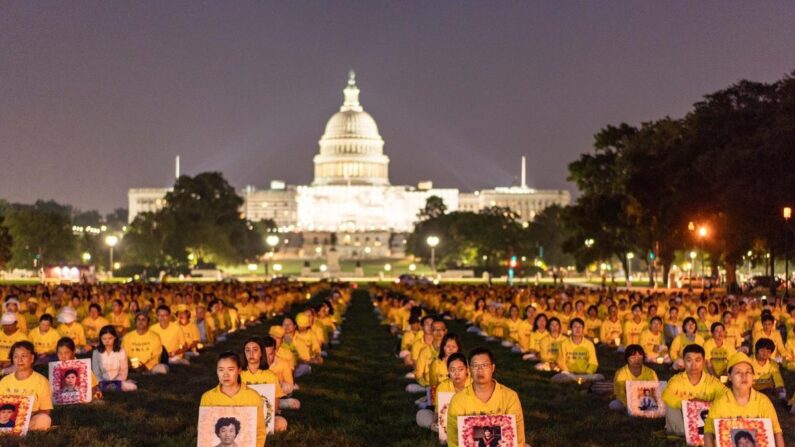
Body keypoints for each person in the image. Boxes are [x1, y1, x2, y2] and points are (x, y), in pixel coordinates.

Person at [446, 347, 525, 447]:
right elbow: (453, 439)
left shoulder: (510, 396)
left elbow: (518, 435)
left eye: (484, 365)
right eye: (475, 366)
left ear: (492, 368)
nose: (480, 370)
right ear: (469, 370)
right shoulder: (458, 400)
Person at [703, 352, 784, 447]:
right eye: (738, 372)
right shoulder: (720, 403)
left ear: (753, 375)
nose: (744, 376)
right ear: (729, 376)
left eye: (748, 372)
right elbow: (708, 433)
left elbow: (777, 432)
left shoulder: (763, 401)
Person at [199, 351, 265, 447]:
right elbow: (204, 431)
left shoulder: (252, 396)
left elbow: (260, 431)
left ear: (239, 370)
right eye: (221, 370)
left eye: (230, 369)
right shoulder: (208, 397)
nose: (225, 375)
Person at [661, 344, 727, 436]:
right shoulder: (677, 380)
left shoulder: (712, 382)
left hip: (705, 422)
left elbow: (727, 396)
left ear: (703, 362)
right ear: (683, 362)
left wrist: (703, 404)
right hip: (682, 422)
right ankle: (682, 433)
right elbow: (666, 395)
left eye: (697, 360)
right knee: (670, 406)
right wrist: (688, 404)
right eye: (689, 360)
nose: (693, 365)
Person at [0, 341, 52, 430]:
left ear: (32, 358)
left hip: (30, 420)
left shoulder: (41, 381)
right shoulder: (5, 381)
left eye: (23, 356)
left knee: (44, 419)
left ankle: (18, 430)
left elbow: (46, 411)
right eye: (16, 356)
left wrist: (28, 414)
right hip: (7, 419)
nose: (19, 360)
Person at [241, 337, 287, 432]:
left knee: (282, 423)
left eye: (255, 350)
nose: (251, 354)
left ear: (261, 353)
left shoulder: (270, 376)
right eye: (247, 350)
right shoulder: (239, 375)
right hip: (244, 416)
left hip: (265, 416)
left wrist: (268, 418)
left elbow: (275, 399)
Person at [609, 344, 658, 412]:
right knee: (614, 404)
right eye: (633, 357)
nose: (636, 360)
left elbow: (656, 390)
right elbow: (619, 393)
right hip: (627, 401)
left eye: (639, 357)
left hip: (646, 400)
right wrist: (630, 405)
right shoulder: (621, 373)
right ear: (627, 358)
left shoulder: (650, 372)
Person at [552, 318, 603, 383]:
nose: (578, 329)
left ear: (583, 329)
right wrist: (568, 372)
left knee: (599, 376)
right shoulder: (564, 344)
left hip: (585, 374)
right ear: (571, 329)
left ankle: (578, 379)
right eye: (575, 326)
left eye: (580, 327)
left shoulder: (589, 344)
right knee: (556, 378)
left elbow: (593, 362)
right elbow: (561, 362)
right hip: (569, 374)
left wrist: (588, 372)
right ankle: (578, 379)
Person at [92, 325, 137, 391]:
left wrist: (115, 382)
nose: (107, 341)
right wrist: (102, 381)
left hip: (118, 381)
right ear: (100, 339)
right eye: (104, 339)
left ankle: (113, 387)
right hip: (102, 381)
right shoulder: (96, 352)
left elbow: (124, 372)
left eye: (110, 338)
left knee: (133, 387)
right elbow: (96, 372)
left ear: (115, 337)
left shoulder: (121, 351)